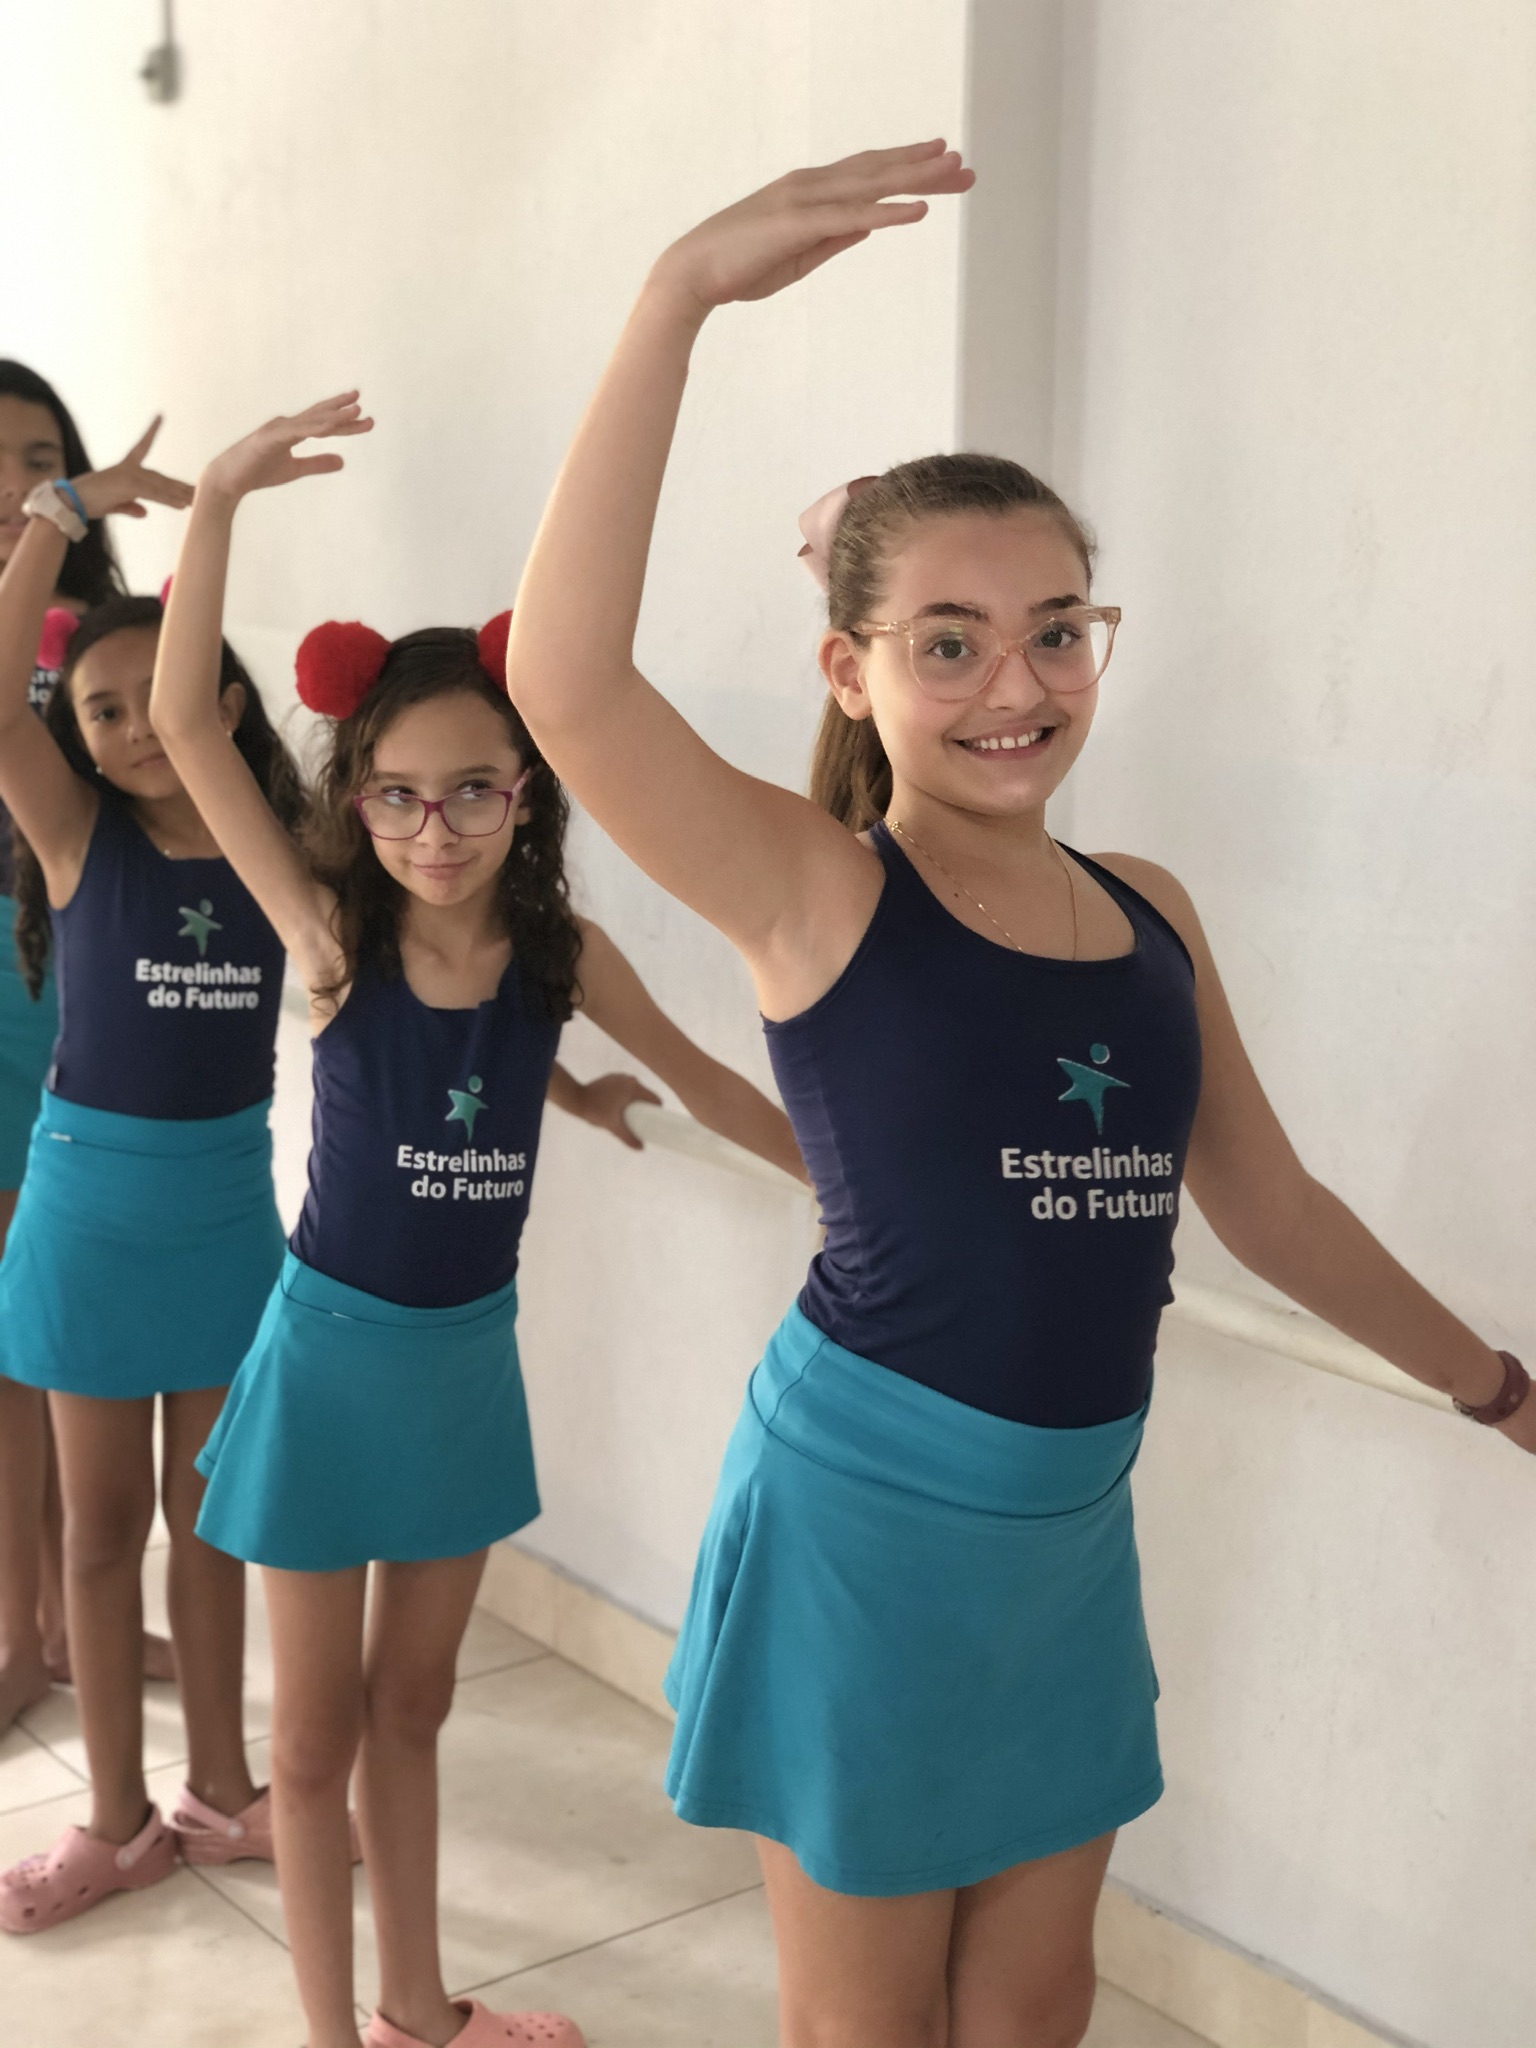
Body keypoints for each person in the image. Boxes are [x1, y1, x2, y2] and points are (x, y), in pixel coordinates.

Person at [502, 142, 1533, 2048]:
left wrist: (1498, 1387)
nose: (1017, 684)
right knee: (872, 2029)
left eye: (1058, 627)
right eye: (949, 643)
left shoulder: (1150, 911)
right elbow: (567, 687)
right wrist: (676, 297)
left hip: (1069, 1536)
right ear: (852, 669)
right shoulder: (820, 892)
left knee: (1035, 2012)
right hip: (867, 1521)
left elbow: (1270, 1205)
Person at [149, 394, 806, 2048]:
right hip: (327, 1371)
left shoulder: (560, 955)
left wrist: (868, 1185)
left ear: (529, 791)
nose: (431, 831)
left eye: (471, 793)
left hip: (460, 1372)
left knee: (415, 1710)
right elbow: (184, 721)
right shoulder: (329, 938)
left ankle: (416, 2013)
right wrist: (217, 497)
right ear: (354, 800)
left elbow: (718, 1086)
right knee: (311, 1746)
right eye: (395, 796)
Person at [0, 422, 304, 1932]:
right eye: (99, 709)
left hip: (228, 1215)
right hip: (87, 1217)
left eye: (153, 698)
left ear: (219, 702)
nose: (129, 729)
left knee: (213, 1525)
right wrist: (54, 516)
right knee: (100, 1530)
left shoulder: (283, 848)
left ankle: (224, 1793)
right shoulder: (76, 840)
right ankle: (114, 1820)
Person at [0, 361, 173, 1730]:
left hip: (82, 991)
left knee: (65, 1336)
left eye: (39, 458)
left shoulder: (99, 634)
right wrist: (60, 518)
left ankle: (76, 1614)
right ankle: (20, 1629)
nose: (19, 486)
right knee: (13, 1343)